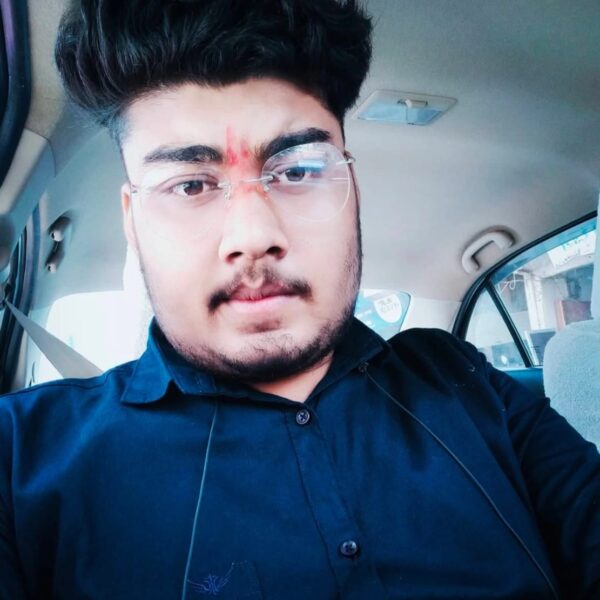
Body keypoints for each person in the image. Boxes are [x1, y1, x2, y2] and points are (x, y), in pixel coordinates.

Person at [0, 1, 598, 598]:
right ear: (133, 220)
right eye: (191, 184)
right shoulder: (19, 457)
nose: (253, 235)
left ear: (352, 186)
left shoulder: (466, 385)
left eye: (298, 171)